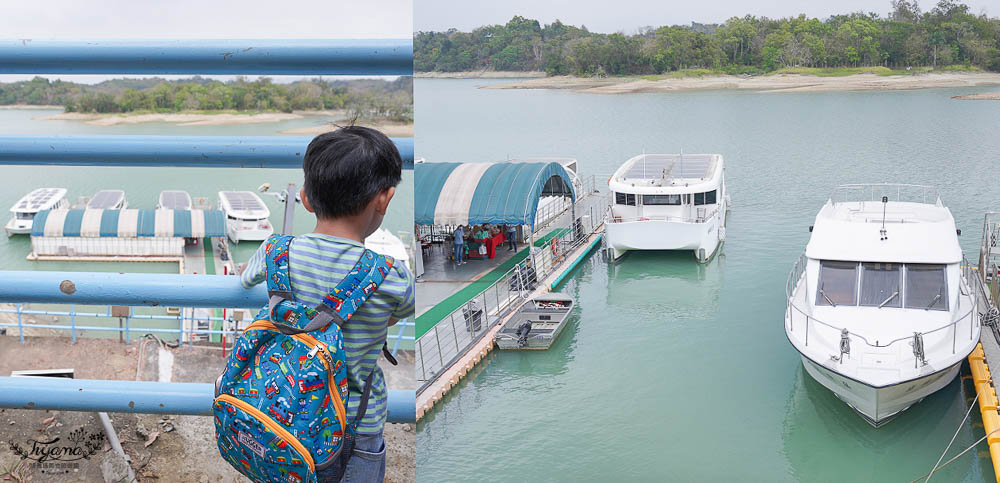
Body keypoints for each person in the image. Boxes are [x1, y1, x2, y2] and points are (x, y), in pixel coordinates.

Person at [240, 126, 414, 482]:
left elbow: (245, 279)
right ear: (384, 199)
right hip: (355, 428)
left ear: (305, 198)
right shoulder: (390, 277)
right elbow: (402, 311)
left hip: (281, 415)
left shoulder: (277, 251)